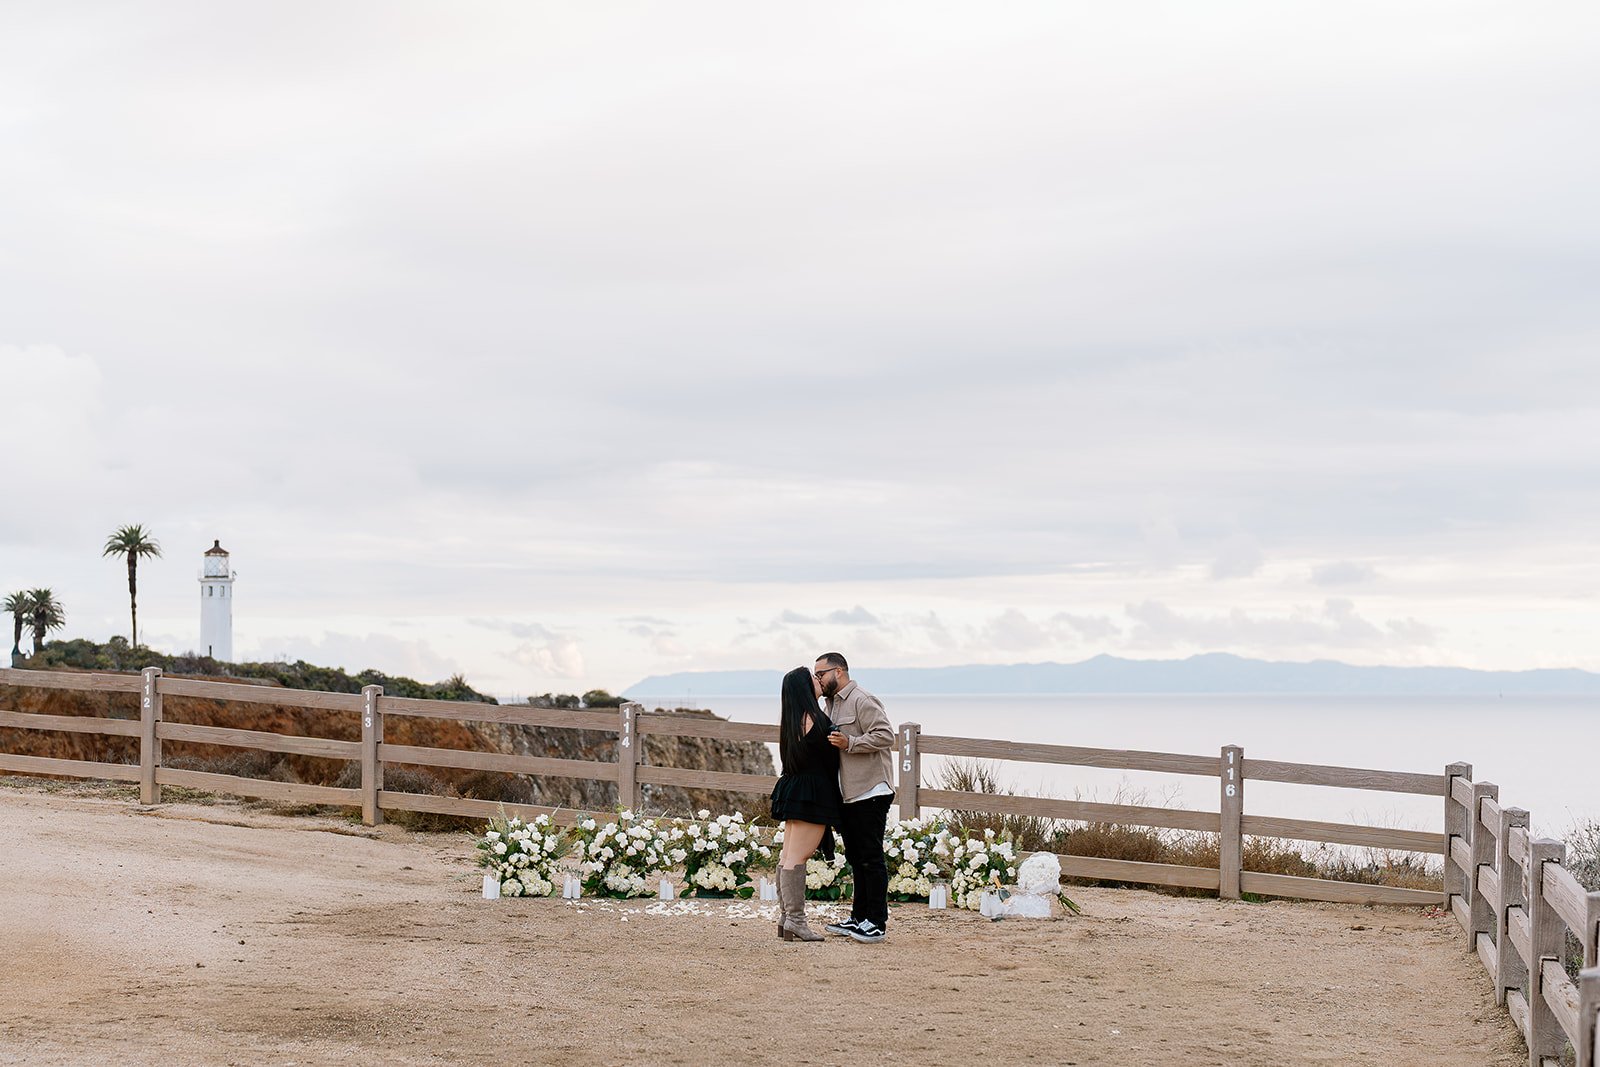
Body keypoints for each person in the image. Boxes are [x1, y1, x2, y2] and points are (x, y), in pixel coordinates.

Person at [816, 652, 895, 943]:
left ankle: (876, 922)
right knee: (856, 858)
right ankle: (859, 918)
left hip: (871, 790)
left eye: (821, 674)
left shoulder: (863, 699)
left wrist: (851, 742)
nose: (818, 679)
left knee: (871, 858)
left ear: (838, 671)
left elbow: (886, 735)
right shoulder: (830, 705)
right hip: (848, 794)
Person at [768, 665, 842, 942]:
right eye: (813, 676)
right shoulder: (813, 719)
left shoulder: (794, 719)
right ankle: (796, 921)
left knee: (788, 856)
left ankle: (787, 918)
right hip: (812, 794)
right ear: (804, 686)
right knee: (797, 858)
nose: (818, 678)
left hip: (796, 790)